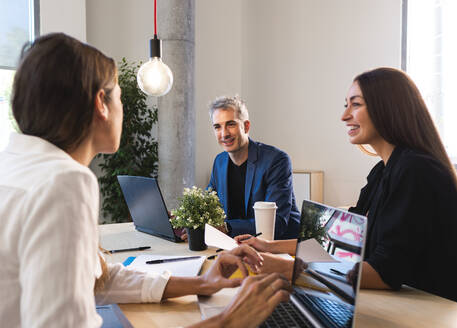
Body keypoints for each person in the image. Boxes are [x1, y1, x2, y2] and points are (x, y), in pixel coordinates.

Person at [0, 33, 291, 328]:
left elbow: (100, 280)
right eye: (120, 96)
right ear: (102, 103)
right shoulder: (63, 181)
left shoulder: (15, 166)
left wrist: (202, 283)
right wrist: (227, 322)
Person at [238, 67, 457, 302]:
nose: (344, 116)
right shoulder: (383, 170)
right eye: (346, 105)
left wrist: (290, 270)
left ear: (387, 107)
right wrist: (269, 247)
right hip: (395, 303)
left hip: (427, 313)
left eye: (356, 104)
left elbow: (386, 272)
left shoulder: (416, 170)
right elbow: (341, 240)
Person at [207, 96, 300, 239]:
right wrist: (184, 219)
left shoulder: (276, 161)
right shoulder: (219, 162)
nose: (224, 134)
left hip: (280, 247)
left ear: (246, 126)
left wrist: (226, 228)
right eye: (217, 127)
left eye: (230, 124)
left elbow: (276, 223)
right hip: (237, 243)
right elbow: (207, 205)